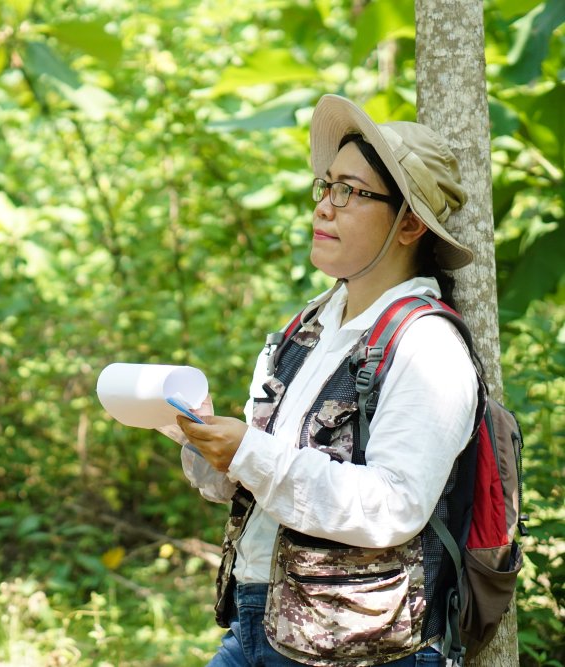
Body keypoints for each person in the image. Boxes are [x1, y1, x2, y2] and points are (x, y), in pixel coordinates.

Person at [166, 95, 481, 666]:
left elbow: (395, 506)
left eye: (350, 192)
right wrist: (207, 441)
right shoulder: (306, 328)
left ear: (409, 224)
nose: (324, 208)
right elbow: (257, 478)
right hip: (256, 622)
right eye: (326, 186)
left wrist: (249, 452)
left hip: (360, 649)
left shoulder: (427, 346)